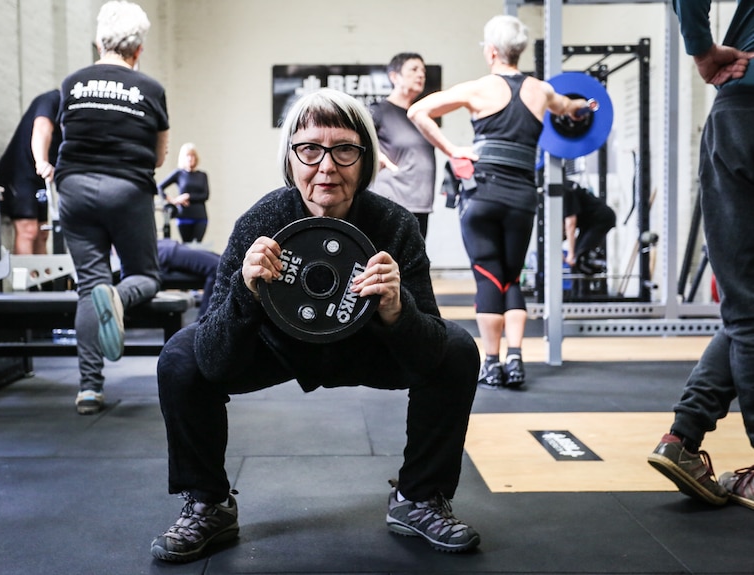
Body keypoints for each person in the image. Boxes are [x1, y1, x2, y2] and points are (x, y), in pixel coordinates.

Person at [151, 88, 481, 563]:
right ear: (291, 158)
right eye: (310, 149)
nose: (327, 166)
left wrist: (397, 310)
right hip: (278, 346)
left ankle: (419, 498)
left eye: (344, 149)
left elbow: (430, 353)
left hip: (368, 345)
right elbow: (213, 359)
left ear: (365, 160)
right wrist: (247, 292)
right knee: (182, 356)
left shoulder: (395, 226)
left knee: (457, 349)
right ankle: (208, 502)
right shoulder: (260, 223)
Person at [407, 14, 589, 389]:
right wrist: (585, 107)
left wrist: (453, 149)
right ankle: (517, 359)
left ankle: (491, 363)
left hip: (483, 194)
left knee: (488, 274)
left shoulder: (478, 89)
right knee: (511, 274)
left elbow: (417, 111)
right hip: (522, 197)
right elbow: (569, 109)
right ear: (518, 51)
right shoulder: (541, 91)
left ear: (491, 51)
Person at [647, 0, 754, 510]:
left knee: (745, 304)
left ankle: (683, 440)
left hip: (743, 107)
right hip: (743, 108)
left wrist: (702, 49)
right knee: (748, 306)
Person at [41, 0, 169, 415]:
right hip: (127, 190)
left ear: (99, 41)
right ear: (139, 49)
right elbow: (159, 157)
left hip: (74, 189)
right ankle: (115, 295)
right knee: (146, 276)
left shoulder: (72, 83)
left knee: (87, 285)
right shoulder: (150, 89)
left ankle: (89, 389)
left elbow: (65, 133)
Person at [369, 53, 436, 238]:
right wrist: (376, 155)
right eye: (414, 69)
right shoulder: (379, 110)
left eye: (423, 70)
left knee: (415, 262)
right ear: (394, 76)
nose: (421, 74)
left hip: (421, 203)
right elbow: (354, 141)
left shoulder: (421, 116)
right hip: (392, 200)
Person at [0, 89, 61, 255]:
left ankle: (44, 281)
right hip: (19, 173)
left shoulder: (79, 118)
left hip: (40, 178)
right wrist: (41, 161)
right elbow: (41, 128)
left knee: (43, 233)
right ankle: (25, 281)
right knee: (28, 231)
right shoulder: (52, 99)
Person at [157, 143, 210, 243]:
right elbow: (159, 187)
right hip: (184, 216)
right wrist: (173, 200)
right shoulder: (179, 174)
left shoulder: (202, 175)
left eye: (193, 155)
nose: (190, 158)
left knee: (196, 246)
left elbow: (205, 195)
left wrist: (188, 196)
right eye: (188, 156)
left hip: (200, 216)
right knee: (186, 245)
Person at [563, 179, 615, 275]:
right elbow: (560, 227)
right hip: (588, 223)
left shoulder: (565, 189)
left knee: (580, 259)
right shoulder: (553, 196)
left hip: (601, 219)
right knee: (576, 260)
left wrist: (571, 254)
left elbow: (570, 224)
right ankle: (575, 290)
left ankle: (583, 290)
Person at [156, 238, 220, 316]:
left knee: (224, 262)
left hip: (169, 247)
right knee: (217, 267)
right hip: (165, 252)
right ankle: (204, 323)